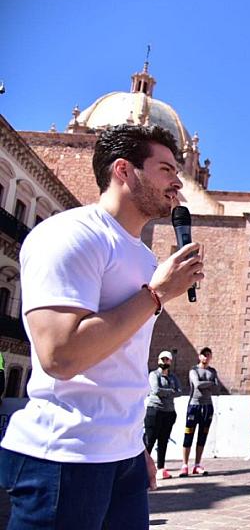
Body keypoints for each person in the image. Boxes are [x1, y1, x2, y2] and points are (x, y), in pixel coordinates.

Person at [0, 124, 203, 528]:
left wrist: (135, 444)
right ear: (124, 170)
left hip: (122, 458)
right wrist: (156, 295)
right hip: (63, 458)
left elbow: (121, 365)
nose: (177, 181)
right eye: (165, 169)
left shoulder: (145, 259)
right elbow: (61, 355)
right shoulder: (69, 235)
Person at [181, 347, 221, 477]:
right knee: (188, 435)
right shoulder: (193, 370)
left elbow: (217, 388)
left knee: (202, 436)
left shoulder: (212, 371)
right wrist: (209, 384)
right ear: (199, 356)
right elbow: (197, 384)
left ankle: (197, 464)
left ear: (210, 357)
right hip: (194, 405)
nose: (205, 357)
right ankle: (185, 464)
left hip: (207, 406)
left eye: (208, 355)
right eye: (203, 355)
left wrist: (207, 384)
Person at [144, 350, 182, 480]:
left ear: (170, 361)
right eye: (162, 359)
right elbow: (155, 390)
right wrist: (171, 391)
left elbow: (179, 391)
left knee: (163, 441)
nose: (164, 362)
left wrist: (167, 392)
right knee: (150, 440)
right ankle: (142, 467)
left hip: (169, 412)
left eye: (167, 360)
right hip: (155, 411)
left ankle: (161, 468)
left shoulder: (173, 377)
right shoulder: (154, 374)